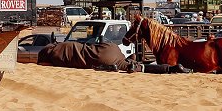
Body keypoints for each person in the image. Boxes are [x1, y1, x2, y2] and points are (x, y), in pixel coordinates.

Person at [38, 41, 190, 73]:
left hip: (101, 60)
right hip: (109, 48)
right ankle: (170, 68)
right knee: (132, 64)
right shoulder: (64, 44)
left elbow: (46, 66)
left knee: (138, 68)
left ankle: (170, 69)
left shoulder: (56, 58)